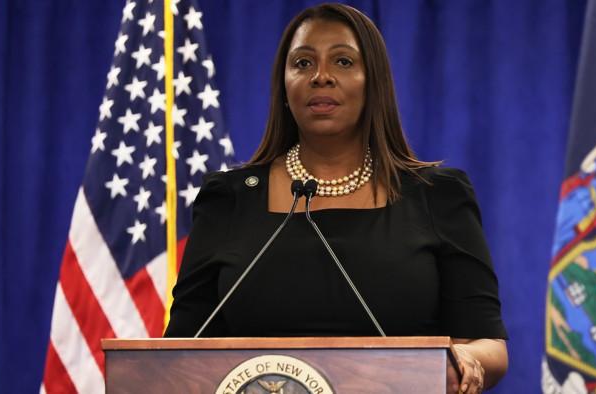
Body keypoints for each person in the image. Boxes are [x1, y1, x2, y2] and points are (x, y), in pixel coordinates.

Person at [164, 3, 509, 392]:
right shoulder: (228, 199)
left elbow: (488, 343)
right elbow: (180, 350)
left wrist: (466, 358)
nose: (321, 77)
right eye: (303, 63)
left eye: (343, 62)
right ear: (284, 86)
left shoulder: (437, 195)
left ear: (373, 81)